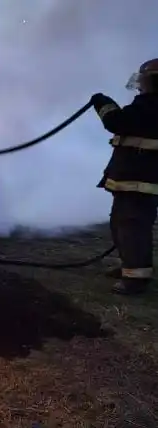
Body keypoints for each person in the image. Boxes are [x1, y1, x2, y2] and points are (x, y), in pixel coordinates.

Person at [91, 58, 158, 295]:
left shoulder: (150, 106)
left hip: (140, 181)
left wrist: (102, 103)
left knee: (132, 227)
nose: (140, 85)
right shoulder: (149, 105)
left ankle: (136, 279)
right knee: (122, 224)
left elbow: (117, 122)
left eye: (145, 80)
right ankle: (130, 266)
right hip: (135, 179)